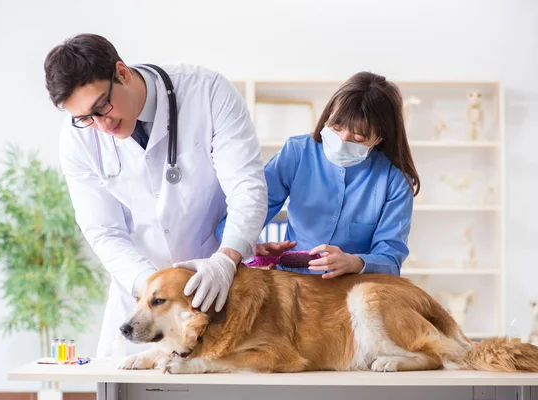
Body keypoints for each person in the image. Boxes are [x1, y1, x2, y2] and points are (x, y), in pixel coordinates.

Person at [44, 33, 267, 357]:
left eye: (101, 106)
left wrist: (226, 260)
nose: (101, 125)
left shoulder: (207, 92)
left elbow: (247, 186)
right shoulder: (77, 139)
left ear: (122, 72)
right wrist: (155, 291)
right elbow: (104, 230)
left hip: (214, 282)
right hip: (138, 293)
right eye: (84, 118)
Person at [218, 71, 419, 278]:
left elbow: (391, 260)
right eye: (337, 128)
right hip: (292, 283)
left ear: (379, 139)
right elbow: (247, 207)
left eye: (358, 138)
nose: (342, 140)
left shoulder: (395, 180)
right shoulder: (297, 152)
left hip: (353, 288)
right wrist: (248, 244)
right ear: (328, 116)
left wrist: (354, 262)